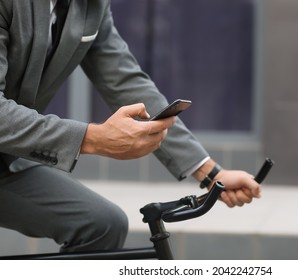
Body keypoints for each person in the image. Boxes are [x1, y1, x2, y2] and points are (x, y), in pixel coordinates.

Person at [0, 0, 261, 253]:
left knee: (102, 224)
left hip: (7, 159)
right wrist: (91, 138)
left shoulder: (92, 5)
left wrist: (210, 172)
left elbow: (124, 79)